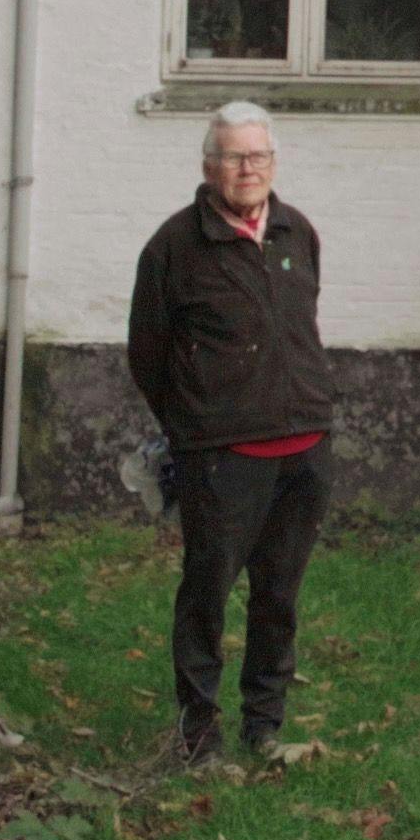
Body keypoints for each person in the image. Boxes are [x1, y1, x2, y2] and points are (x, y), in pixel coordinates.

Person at [125, 101, 335, 763]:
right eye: (234, 157)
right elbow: (147, 353)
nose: (248, 169)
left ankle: (264, 725)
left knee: (279, 596)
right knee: (207, 595)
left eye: (259, 156)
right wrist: (197, 425)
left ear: (273, 161)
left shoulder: (297, 232)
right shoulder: (173, 249)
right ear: (209, 165)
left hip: (304, 448)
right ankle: (200, 730)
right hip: (221, 456)